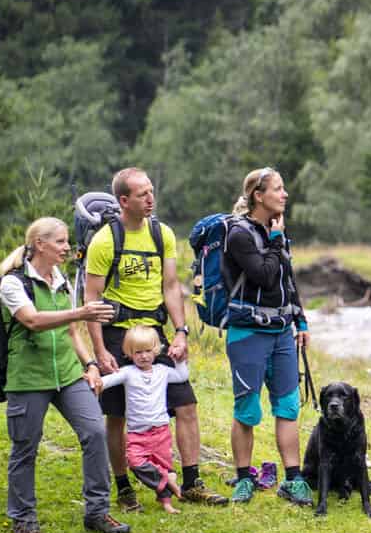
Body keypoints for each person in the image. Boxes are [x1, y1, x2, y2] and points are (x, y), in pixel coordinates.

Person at [84, 167, 221, 507]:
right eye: (142, 194)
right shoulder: (105, 240)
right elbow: (91, 301)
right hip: (117, 333)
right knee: (116, 415)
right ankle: (124, 487)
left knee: (186, 403)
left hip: (155, 334)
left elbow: (171, 286)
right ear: (123, 200)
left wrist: (180, 332)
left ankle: (191, 483)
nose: (150, 198)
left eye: (151, 191)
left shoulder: (163, 235)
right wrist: (100, 350)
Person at [0, 217, 128, 533]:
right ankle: (25, 525)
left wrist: (92, 364)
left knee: (95, 432)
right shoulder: (13, 283)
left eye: (67, 241)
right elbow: (33, 321)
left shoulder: (61, 279)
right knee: (25, 449)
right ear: (40, 244)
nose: (67, 248)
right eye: (60, 242)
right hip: (29, 378)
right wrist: (81, 312)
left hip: (68, 374)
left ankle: (97, 512)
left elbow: (71, 333)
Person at [223, 167, 313, 506]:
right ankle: (244, 478)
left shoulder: (278, 231)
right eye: (278, 189)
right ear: (258, 196)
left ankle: (294, 479)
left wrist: (300, 321)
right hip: (247, 333)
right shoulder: (239, 234)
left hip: (281, 334)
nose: (285, 194)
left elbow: (286, 280)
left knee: (288, 406)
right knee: (247, 409)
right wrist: (276, 241)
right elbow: (262, 275)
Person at [97, 325, 191, 513]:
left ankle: (166, 502)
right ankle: (167, 481)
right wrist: (95, 381)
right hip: (137, 433)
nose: (144, 356)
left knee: (163, 464)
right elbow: (108, 381)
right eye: (138, 352)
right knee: (135, 462)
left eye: (148, 351)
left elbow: (181, 376)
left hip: (160, 431)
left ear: (156, 350)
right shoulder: (128, 372)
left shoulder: (162, 371)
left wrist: (180, 360)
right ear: (129, 353)